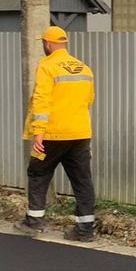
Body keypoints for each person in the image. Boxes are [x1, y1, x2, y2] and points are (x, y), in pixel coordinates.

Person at [14, 26, 97, 242]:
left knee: (38, 173)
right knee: (82, 180)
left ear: (47, 44)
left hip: (52, 135)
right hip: (80, 134)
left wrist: (38, 133)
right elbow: (89, 100)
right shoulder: (84, 68)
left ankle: (34, 222)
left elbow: (42, 100)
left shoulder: (47, 66)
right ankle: (85, 229)